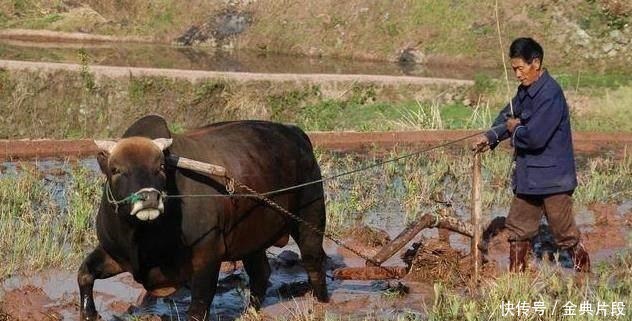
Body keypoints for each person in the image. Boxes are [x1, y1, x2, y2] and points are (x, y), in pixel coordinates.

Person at [474, 37, 590, 273]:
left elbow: (535, 137)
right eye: (514, 69)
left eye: (520, 68)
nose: (517, 74)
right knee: (517, 231)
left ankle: (585, 277)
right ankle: (516, 281)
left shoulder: (550, 94)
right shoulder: (524, 91)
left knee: (564, 234)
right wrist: (490, 136)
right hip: (528, 177)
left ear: (535, 63)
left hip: (553, 179)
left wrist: (515, 128)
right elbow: (508, 116)